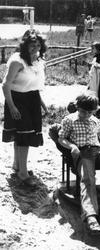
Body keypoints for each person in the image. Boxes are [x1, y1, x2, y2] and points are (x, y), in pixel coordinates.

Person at [58, 93, 100, 235]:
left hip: (97, 152)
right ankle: (91, 218)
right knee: (88, 180)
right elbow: (61, 139)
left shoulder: (95, 120)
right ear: (78, 107)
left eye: (90, 112)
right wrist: (72, 147)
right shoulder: (70, 120)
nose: (87, 115)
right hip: (82, 153)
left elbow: (99, 137)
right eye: (83, 111)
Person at [2, 29, 48, 187]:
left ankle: (17, 165)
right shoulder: (17, 60)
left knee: (22, 134)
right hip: (18, 100)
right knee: (24, 136)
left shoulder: (39, 61)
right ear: (24, 45)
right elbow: (5, 85)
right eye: (31, 45)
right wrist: (12, 107)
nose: (35, 48)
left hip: (32, 100)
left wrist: (42, 104)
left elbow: (34, 86)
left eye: (38, 45)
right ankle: (23, 172)